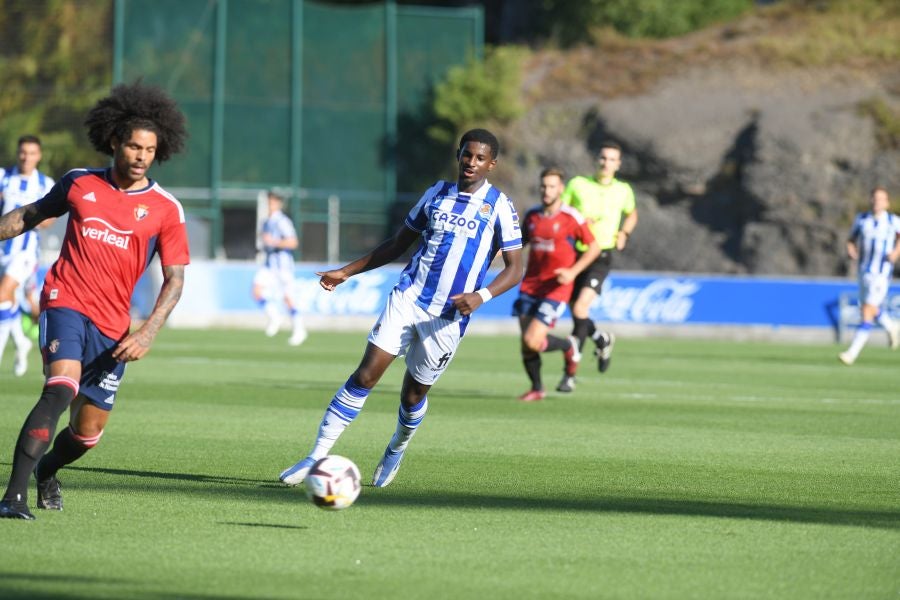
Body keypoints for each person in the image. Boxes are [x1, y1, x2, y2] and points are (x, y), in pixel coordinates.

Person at [279, 128, 523, 488]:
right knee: (365, 375)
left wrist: (480, 296)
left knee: (413, 396)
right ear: (458, 155)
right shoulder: (436, 194)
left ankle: (397, 445)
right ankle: (317, 456)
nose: (471, 163)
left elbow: (517, 268)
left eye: (480, 158)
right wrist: (345, 271)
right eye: (467, 155)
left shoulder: (500, 206)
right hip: (408, 299)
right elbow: (397, 245)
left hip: (448, 318)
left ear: (492, 164)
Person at [0, 81, 190, 520]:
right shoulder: (79, 183)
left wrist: (147, 332)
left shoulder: (165, 208)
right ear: (114, 142)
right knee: (60, 388)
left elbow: (175, 281)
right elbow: (29, 215)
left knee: (87, 435)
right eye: (134, 146)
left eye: (149, 149)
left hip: (113, 327)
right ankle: (12, 497)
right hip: (65, 300)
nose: (141, 156)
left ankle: (48, 470)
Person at [514, 167, 600, 402]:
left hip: (556, 289)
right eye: (544, 185)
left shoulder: (572, 217)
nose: (547, 190)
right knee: (527, 344)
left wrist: (573, 272)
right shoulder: (532, 216)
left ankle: (568, 346)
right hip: (530, 286)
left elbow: (594, 248)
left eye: (552, 186)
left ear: (561, 189)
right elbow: (518, 244)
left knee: (533, 340)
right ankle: (537, 388)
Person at [559, 141, 637, 392]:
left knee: (581, 308)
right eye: (603, 158)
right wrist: (578, 221)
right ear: (598, 159)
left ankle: (569, 375)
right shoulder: (578, 184)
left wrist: (624, 232)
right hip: (575, 254)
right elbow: (561, 211)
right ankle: (600, 338)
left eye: (612, 159)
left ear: (618, 164)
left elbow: (632, 213)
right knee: (577, 313)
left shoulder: (623, 190)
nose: (606, 163)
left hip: (601, 255)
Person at [0, 135, 55, 376]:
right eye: (23, 152)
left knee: (2, 293)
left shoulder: (45, 183)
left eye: (32, 153)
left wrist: (30, 218)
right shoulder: (4, 177)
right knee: (8, 300)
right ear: (18, 153)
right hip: (3, 249)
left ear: (39, 155)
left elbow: (51, 218)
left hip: (25, 251)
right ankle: (21, 341)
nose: (26, 157)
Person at [839, 186, 900, 365]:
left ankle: (851, 353)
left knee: (867, 311)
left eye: (881, 199)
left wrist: (896, 253)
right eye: (874, 198)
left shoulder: (893, 221)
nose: (877, 202)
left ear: (887, 202)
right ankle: (891, 325)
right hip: (863, 271)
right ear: (870, 200)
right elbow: (851, 240)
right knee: (868, 307)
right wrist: (851, 250)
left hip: (881, 273)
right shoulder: (862, 219)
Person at [252, 190, 307, 346]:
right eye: (269, 202)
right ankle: (275, 316)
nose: (270, 205)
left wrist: (274, 242)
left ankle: (299, 329)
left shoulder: (282, 221)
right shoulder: (266, 222)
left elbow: (293, 242)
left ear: (279, 204)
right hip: (270, 265)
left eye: (273, 202)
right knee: (256, 290)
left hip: (283, 266)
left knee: (288, 298)